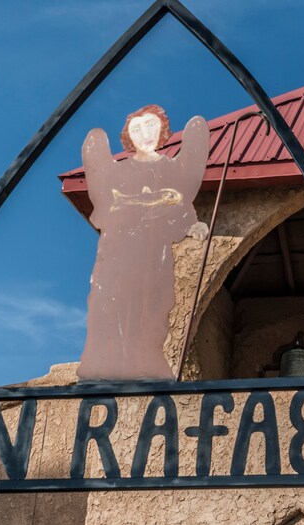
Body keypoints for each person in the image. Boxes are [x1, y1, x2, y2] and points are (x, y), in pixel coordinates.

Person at [77, 104, 210, 381]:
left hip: (154, 254)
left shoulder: (172, 169)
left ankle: (146, 361)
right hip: (117, 251)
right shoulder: (115, 173)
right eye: (137, 128)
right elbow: (106, 204)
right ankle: (103, 364)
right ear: (128, 136)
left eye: (150, 125)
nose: (145, 133)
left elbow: (180, 204)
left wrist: (191, 224)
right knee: (110, 303)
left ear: (162, 129)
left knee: (153, 304)